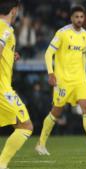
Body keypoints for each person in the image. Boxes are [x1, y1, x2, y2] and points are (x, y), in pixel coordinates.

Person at [35, 5, 86, 156]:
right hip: (63, 80)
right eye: (76, 17)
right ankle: (40, 143)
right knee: (56, 112)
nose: (79, 19)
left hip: (79, 80)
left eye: (81, 17)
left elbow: (82, 56)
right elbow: (48, 53)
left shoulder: (85, 34)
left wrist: (83, 75)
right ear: (71, 18)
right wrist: (51, 73)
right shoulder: (62, 33)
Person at [0, 0, 34, 168]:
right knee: (25, 126)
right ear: (14, 10)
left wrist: (9, 55)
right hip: (2, 89)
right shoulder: (5, 29)